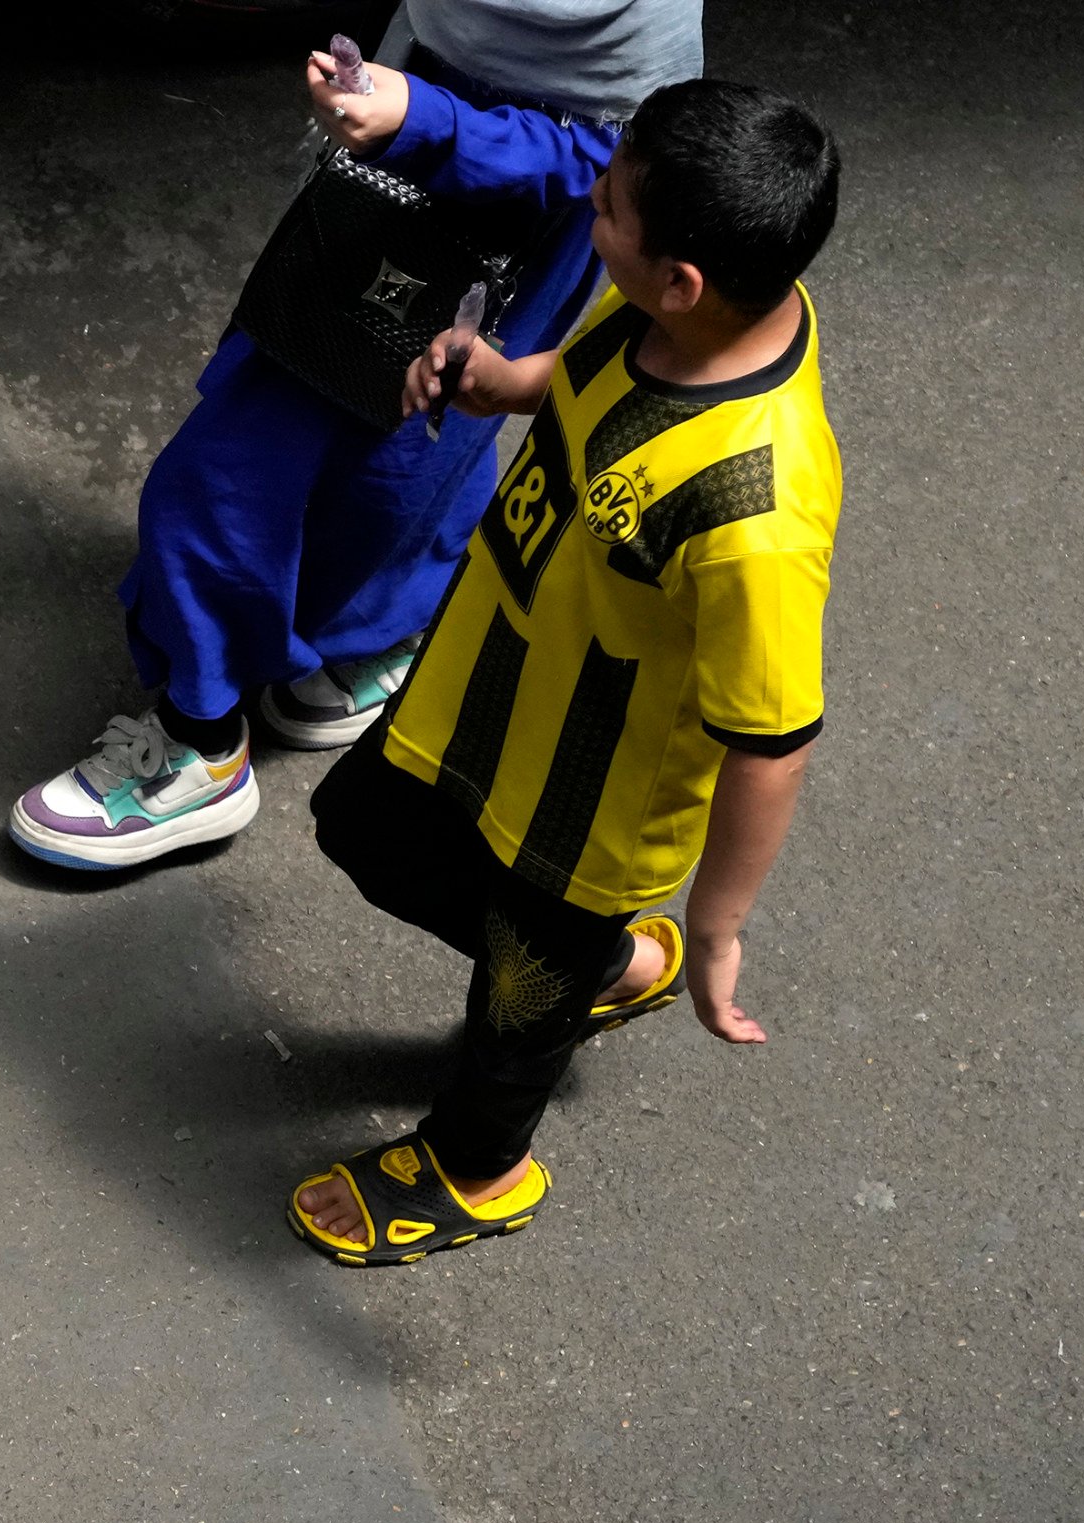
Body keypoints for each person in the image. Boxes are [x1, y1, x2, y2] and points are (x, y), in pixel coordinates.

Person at [285, 75, 842, 1263]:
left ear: (682, 279)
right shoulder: (675, 314)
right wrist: (501, 379)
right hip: (485, 684)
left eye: (609, 210)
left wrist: (721, 923)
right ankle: (602, 967)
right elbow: (594, 372)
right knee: (368, 832)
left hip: (590, 803)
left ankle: (480, 1167)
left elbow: (774, 735)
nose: (591, 208)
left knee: (515, 1013)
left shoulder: (761, 514)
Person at [7, 0, 699, 874]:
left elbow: (605, 158)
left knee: (389, 462)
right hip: (426, 128)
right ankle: (312, 661)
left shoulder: (624, 64)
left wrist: (423, 117)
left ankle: (210, 746)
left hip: (528, 192)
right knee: (275, 453)